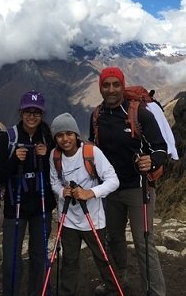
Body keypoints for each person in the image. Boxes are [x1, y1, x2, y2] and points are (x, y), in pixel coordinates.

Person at [89, 67, 168, 296]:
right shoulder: (96, 116)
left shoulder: (139, 113)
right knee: (113, 238)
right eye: (106, 85)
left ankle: (154, 292)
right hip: (109, 189)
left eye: (116, 84)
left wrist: (151, 161)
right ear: (101, 88)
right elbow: (93, 150)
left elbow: (161, 147)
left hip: (138, 188)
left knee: (144, 242)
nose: (111, 89)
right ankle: (115, 282)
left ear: (123, 86)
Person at [0, 90, 56, 296]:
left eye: (36, 112)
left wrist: (46, 158)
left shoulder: (48, 139)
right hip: (15, 206)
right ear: (20, 112)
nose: (32, 116)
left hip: (42, 206)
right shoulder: (8, 138)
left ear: (42, 114)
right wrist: (14, 161)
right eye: (28, 111)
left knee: (39, 256)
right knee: (11, 257)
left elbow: (56, 173)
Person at [49, 112, 120, 295]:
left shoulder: (91, 152)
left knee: (102, 258)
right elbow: (54, 182)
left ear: (76, 134)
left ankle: (113, 289)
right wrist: (62, 192)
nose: (65, 139)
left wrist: (90, 193)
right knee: (69, 261)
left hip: (93, 219)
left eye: (69, 133)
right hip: (68, 220)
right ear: (55, 138)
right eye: (60, 135)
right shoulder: (55, 156)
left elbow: (113, 180)